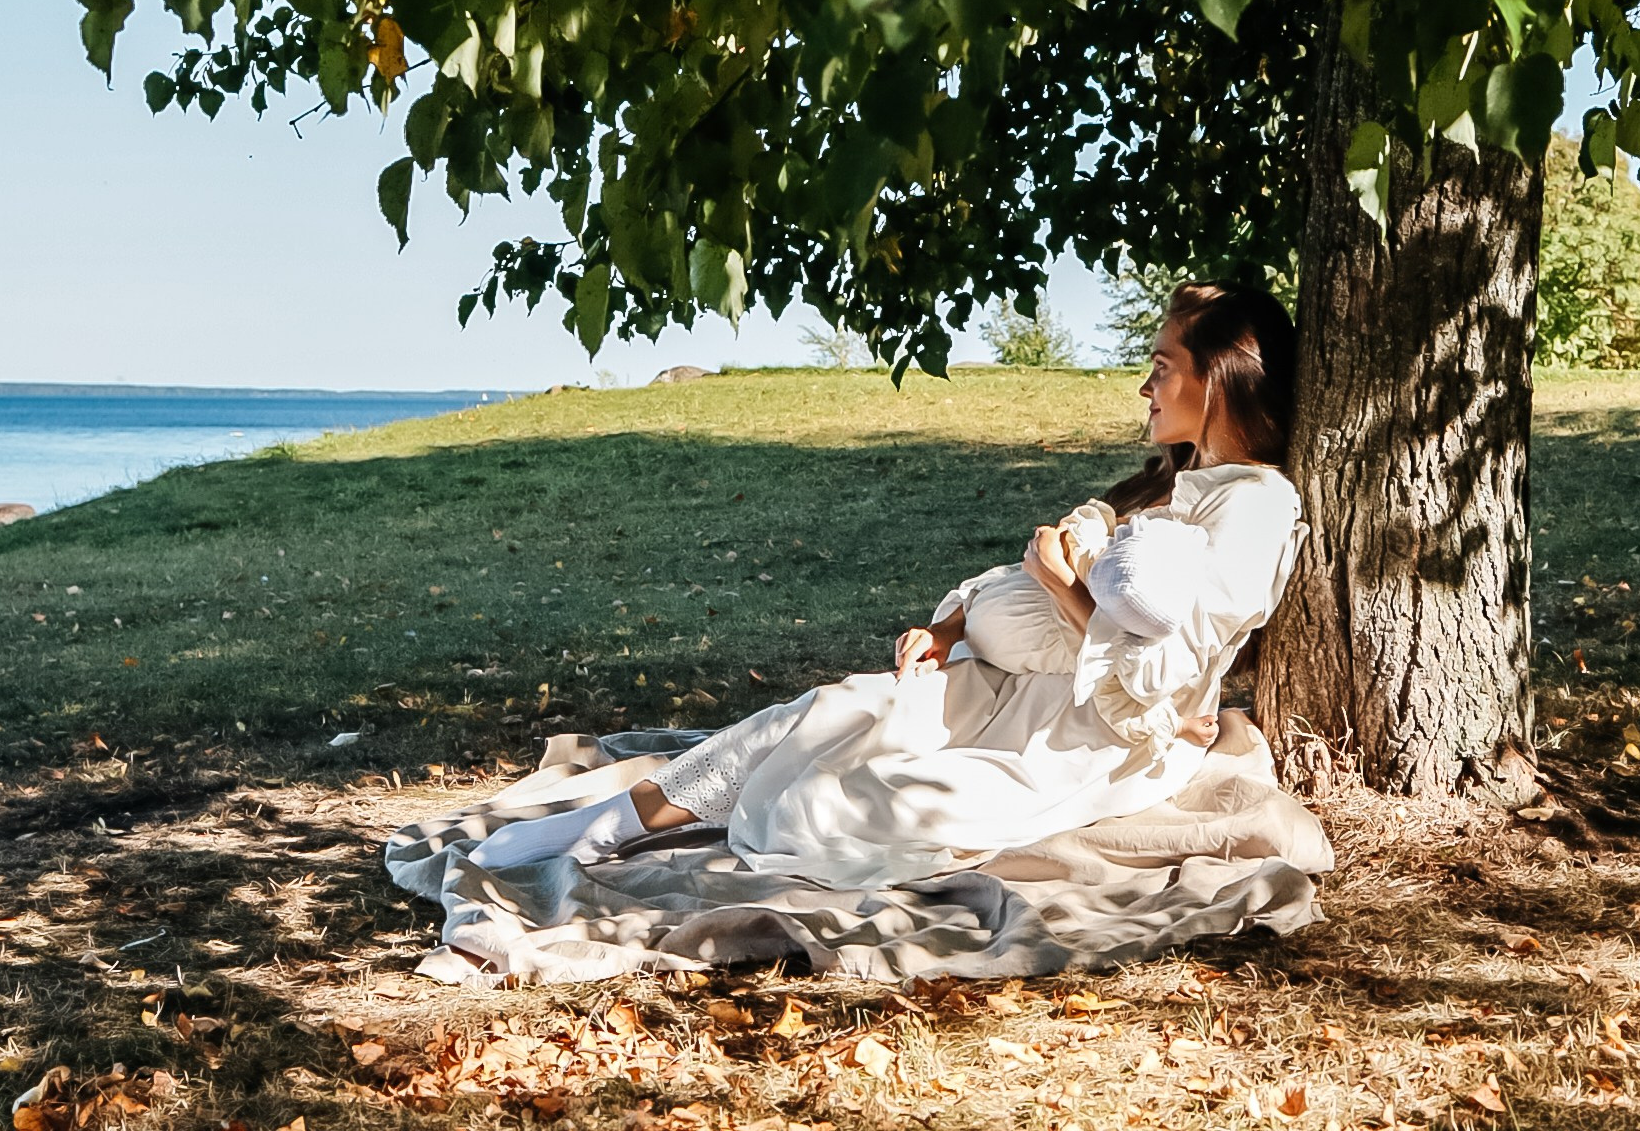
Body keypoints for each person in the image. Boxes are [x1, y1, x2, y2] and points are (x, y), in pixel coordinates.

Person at [466, 281, 1305, 894]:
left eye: (1161, 367)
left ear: (1220, 377)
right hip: (1005, 684)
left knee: (841, 803)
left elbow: (1152, 677)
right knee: (829, 709)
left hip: (1076, 737)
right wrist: (950, 629)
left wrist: (1060, 582)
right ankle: (602, 827)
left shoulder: (1257, 508)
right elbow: (1045, 582)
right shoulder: (1168, 483)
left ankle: (641, 827)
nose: (1144, 386)